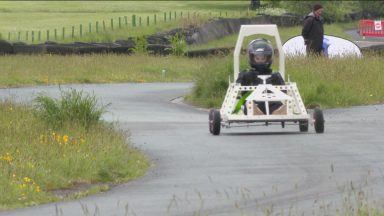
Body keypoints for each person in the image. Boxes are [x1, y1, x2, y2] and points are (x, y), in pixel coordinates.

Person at [235, 38, 285, 115]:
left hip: (271, 102)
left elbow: (284, 91)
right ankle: (256, 112)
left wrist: (276, 82)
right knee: (249, 104)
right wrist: (246, 78)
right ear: (252, 58)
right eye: (258, 58)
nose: (260, 61)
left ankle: (278, 112)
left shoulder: (275, 75)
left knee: (280, 105)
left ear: (268, 58)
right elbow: (237, 90)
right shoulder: (246, 74)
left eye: (263, 58)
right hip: (253, 101)